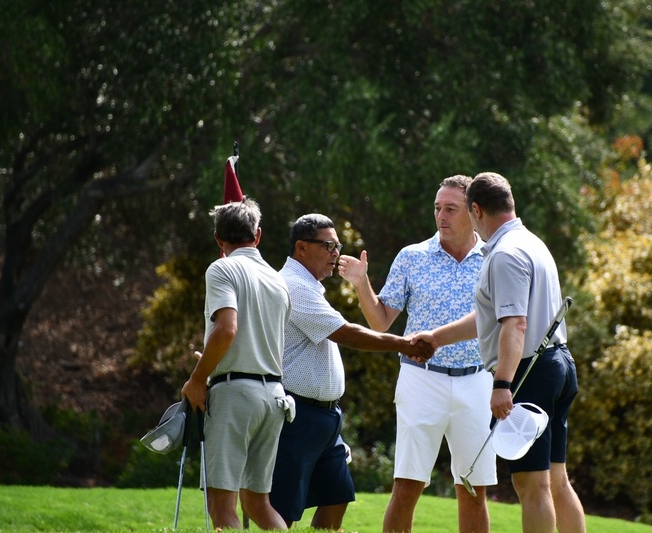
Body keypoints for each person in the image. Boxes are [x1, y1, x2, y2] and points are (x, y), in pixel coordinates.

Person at [413, 172, 586, 533]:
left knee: (532, 484)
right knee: (556, 480)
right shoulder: (532, 243)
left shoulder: (504, 254)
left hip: (529, 372)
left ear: (476, 210)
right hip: (559, 363)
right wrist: (437, 338)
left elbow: (515, 324)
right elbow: (490, 316)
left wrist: (502, 383)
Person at [337, 175, 496, 533]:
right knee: (407, 485)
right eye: (437, 208)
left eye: (451, 209)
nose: (441, 216)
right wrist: (362, 284)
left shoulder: (493, 259)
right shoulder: (412, 257)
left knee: (473, 489)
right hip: (421, 379)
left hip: (477, 381)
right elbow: (381, 322)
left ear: (474, 212)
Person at [269, 213, 435, 530]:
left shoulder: (309, 285)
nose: (335, 253)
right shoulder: (293, 286)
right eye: (328, 246)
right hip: (296, 415)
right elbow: (347, 333)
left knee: (337, 497)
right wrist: (404, 344)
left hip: (324, 418)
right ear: (301, 248)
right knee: (283, 509)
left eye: (337, 246)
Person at [181, 197, 290, 530]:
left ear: (218, 238)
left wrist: (197, 378)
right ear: (258, 235)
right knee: (258, 504)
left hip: (235, 395)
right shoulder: (277, 279)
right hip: (274, 396)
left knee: (221, 505)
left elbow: (227, 330)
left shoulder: (222, 268)